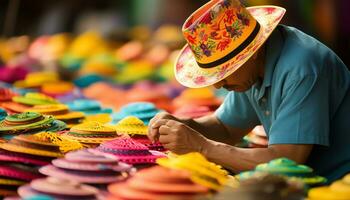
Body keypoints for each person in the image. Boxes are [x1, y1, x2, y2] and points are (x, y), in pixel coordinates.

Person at [147, 0, 350, 182]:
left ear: (252, 51)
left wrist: (201, 146)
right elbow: (225, 128)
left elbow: (287, 161)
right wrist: (183, 126)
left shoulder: (302, 68)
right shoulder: (250, 71)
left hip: (339, 184)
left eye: (224, 72)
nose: (218, 85)